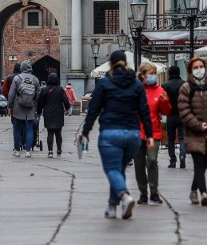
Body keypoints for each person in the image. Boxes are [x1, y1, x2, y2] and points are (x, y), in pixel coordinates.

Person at [79, 50, 153, 220]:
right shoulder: (137, 84)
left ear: (111, 64)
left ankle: (125, 197)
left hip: (111, 133)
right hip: (133, 135)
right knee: (119, 170)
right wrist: (149, 135)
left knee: (112, 169)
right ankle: (112, 207)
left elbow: (93, 110)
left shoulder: (105, 83)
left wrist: (85, 132)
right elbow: (144, 111)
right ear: (125, 63)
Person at [179, 57, 207, 206]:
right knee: (198, 163)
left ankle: (193, 190)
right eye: (195, 67)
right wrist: (198, 125)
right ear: (191, 70)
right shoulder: (186, 88)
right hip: (193, 133)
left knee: (204, 164)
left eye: (201, 66)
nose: (199, 69)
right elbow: (184, 111)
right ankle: (204, 192)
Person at [134, 62, 171, 205]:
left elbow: (166, 111)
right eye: (150, 73)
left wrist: (165, 102)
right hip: (137, 132)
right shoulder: (137, 91)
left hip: (153, 132)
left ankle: (154, 192)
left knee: (152, 160)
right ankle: (143, 192)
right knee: (139, 163)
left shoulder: (160, 91)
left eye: (153, 73)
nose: (152, 76)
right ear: (142, 75)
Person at [9, 60, 40, 157]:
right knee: (29, 128)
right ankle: (28, 151)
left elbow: (11, 93)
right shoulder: (35, 79)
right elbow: (38, 94)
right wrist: (37, 107)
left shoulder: (17, 78)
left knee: (17, 128)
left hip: (18, 105)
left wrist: (10, 106)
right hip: (31, 106)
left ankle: (17, 150)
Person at [37, 73, 70, 157]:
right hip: (58, 112)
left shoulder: (44, 90)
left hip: (48, 113)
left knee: (50, 132)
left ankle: (50, 151)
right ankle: (59, 149)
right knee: (58, 133)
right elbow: (66, 101)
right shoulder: (60, 89)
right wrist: (67, 108)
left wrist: (39, 111)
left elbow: (40, 102)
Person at [162, 65, 186, 169]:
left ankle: (172, 160)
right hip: (182, 114)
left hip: (170, 115)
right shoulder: (185, 84)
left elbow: (163, 100)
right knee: (182, 137)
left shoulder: (165, 85)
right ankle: (182, 155)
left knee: (170, 139)